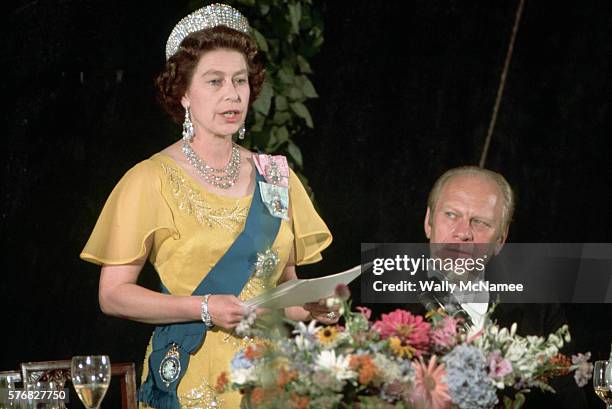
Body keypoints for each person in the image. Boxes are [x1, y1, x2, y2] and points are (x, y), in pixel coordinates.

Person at [80, 4, 337, 408]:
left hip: (270, 382)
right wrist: (203, 307)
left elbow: (281, 287)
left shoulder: (274, 176)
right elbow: (113, 295)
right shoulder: (150, 179)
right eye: (214, 81)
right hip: (190, 375)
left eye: (240, 81)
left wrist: (312, 306)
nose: (232, 94)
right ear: (183, 92)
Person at [418, 165, 587, 408]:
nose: (463, 233)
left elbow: (571, 402)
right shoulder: (375, 301)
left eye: (480, 222)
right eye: (451, 215)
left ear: (500, 239)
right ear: (428, 222)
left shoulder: (538, 307)